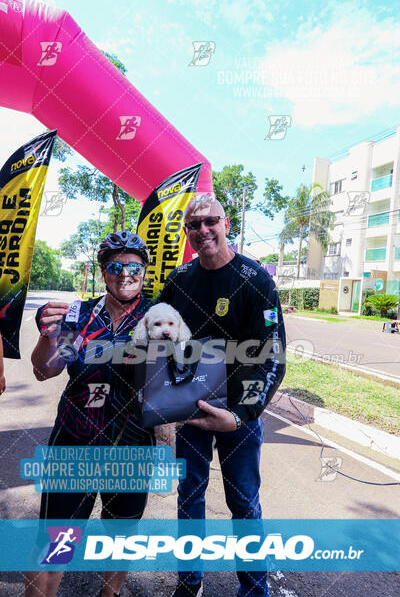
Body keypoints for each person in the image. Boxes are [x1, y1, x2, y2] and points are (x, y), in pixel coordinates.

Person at [159, 194, 286, 597]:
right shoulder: (179, 282)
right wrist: (163, 404)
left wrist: (240, 415)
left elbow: (272, 357)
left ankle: (253, 589)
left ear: (226, 223)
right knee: (189, 499)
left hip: (238, 417)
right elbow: (157, 346)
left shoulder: (255, 280)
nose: (203, 231)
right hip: (191, 412)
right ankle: (189, 582)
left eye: (210, 221)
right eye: (193, 225)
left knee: (245, 503)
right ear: (187, 232)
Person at [26, 231, 153, 597]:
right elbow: (45, 370)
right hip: (75, 442)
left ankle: (108, 594)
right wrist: (48, 335)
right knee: (55, 544)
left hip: (131, 446)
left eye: (134, 266)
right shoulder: (79, 314)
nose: (125, 273)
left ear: (144, 270)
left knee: (120, 538)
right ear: (103, 271)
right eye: (115, 266)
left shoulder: (158, 316)